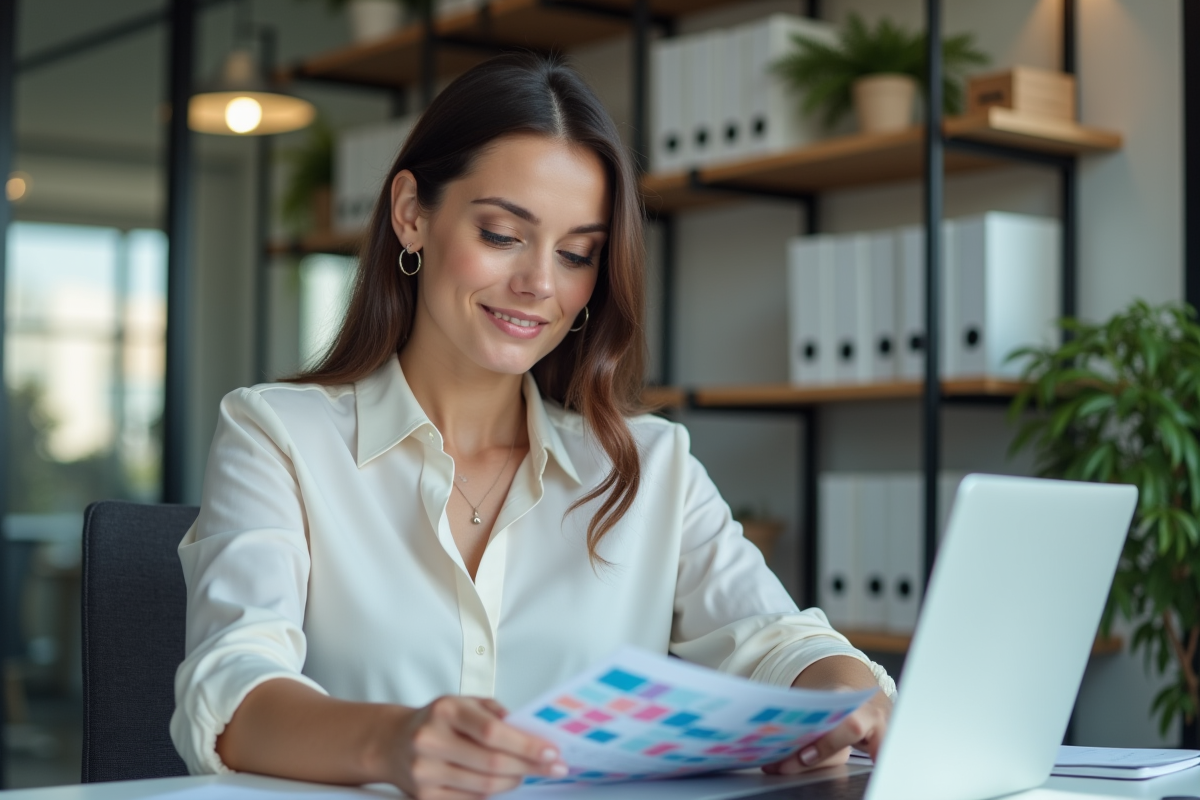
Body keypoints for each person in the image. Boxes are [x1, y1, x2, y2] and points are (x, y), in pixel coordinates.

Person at [170, 53, 895, 800]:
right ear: (412, 215)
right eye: (501, 234)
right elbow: (231, 692)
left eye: (577, 253)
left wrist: (846, 699)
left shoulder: (647, 464)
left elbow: (783, 641)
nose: (540, 284)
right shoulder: (279, 435)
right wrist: (393, 742)